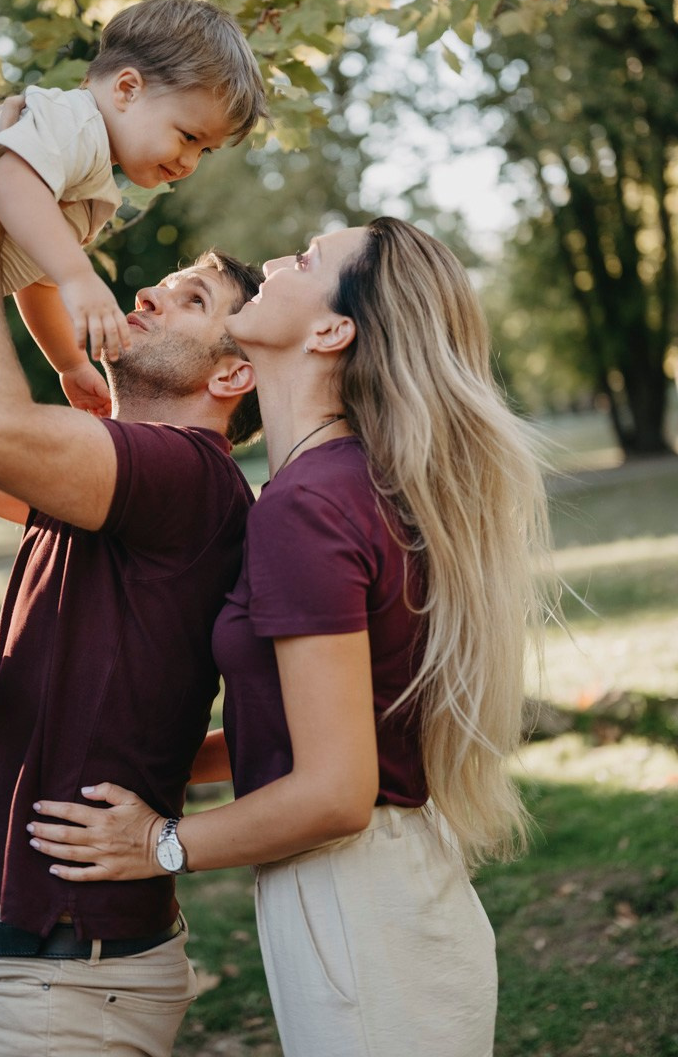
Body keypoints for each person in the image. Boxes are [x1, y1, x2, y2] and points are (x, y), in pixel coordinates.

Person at [28, 220, 555, 1056]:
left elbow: (336, 791)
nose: (275, 261)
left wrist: (160, 844)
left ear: (331, 331)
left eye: (306, 261)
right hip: (376, 891)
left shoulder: (308, 505)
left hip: (359, 905)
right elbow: (324, 724)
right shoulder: (336, 483)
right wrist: (156, 761)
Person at [0, 103, 264, 1057]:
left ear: (232, 377)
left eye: (191, 299)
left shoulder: (183, 475)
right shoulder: (122, 485)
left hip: (59, 987)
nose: (149, 291)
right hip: (48, 976)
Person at [0, 0, 267, 706]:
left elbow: (30, 279)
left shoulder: (85, 176)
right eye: (186, 136)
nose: (188, 161)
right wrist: (81, 275)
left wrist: (68, 362)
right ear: (127, 88)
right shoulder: (69, 125)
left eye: (204, 151)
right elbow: (6, 182)